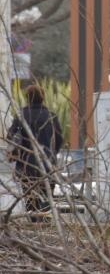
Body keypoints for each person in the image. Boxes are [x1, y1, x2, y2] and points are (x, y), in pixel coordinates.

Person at [7, 85, 63, 218]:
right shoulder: (51, 116)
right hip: (48, 164)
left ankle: (33, 230)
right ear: (43, 97)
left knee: (30, 201)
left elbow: (11, 136)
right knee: (46, 200)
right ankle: (48, 232)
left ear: (27, 98)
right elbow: (59, 139)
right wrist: (52, 154)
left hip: (26, 165)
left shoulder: (21, 116)